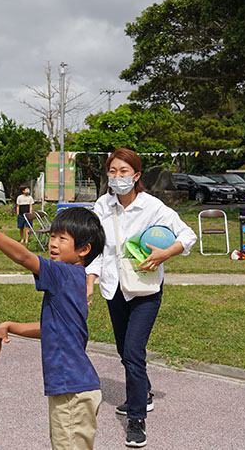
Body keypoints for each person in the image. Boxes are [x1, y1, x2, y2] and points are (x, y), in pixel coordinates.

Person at [0, 205, 105, 450]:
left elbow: (23, 257)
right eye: (53, 235)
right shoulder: (75, 280)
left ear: (83, 250)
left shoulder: (64, 273)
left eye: (63, 238)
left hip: (72, 391)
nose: (54, 242)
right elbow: (52, 329)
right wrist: (10, 326)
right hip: (74, 389)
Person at [85, 148, 197, 448]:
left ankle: (136, 419)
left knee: (134, 352)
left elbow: (187, 236)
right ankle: (144, 392)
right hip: (114, 287)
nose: (118, 177)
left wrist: (165, 253)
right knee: (124, 350)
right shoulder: (102, 205)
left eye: (124, 172)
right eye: (113, 171)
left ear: (136, 176)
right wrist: (90, 281)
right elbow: (97, 248)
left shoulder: (153, 206)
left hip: (146, 290)